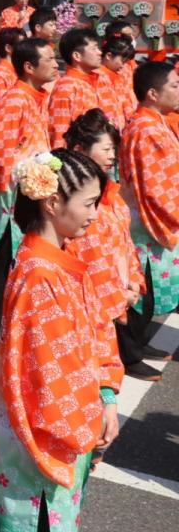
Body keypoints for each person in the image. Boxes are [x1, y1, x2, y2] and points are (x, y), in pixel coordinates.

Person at [0, 148, 123, 532]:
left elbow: (95, 330)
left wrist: (105, 395)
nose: (94, 214)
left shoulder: (58, 260)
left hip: (61, 428)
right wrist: (87, 425)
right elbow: (48, 379)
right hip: (44, 439)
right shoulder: (38, 276)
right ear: (51, 202)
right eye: (88, 202)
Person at [65, 110, 165, 381]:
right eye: (106, 149)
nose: (112, 156)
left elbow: (123, 240)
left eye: (113, 149)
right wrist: (118, 294)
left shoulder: (108, 189)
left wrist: (131, 278)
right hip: (90, 290)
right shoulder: (73, 196)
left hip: (115, 281)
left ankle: (129, 354)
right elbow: (85, 256)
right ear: (79, 149)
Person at [0, 38, 55, 342]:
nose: (55, 63)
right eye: (48, 58)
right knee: (3, 253)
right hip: (13, 192)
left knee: (21, 255)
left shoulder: (37, 95)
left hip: (31, 188)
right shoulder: (15, 99)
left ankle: (8, 313)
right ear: (29, 67)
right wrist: (12, 181)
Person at [120, 62, 179, 348]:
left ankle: (135, 345)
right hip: (148, 219)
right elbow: (156, 188)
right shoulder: (148, 129)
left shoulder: (154, 122)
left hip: (151, 214)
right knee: (142, 285)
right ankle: (128, 351)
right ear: (153, 93)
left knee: (147, 284)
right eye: (175, 86)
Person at [47, 27, 116, 148]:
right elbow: (59, 131)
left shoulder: (101, 79)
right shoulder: (66, 86)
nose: (100, 52)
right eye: (94, 48)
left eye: (98, 48)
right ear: (77, 56)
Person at [98, 34, 138, 128]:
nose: (123, 66)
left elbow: (124, 100)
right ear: (109, 56)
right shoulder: (98, 76)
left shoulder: (118, 74)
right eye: (122, 61)